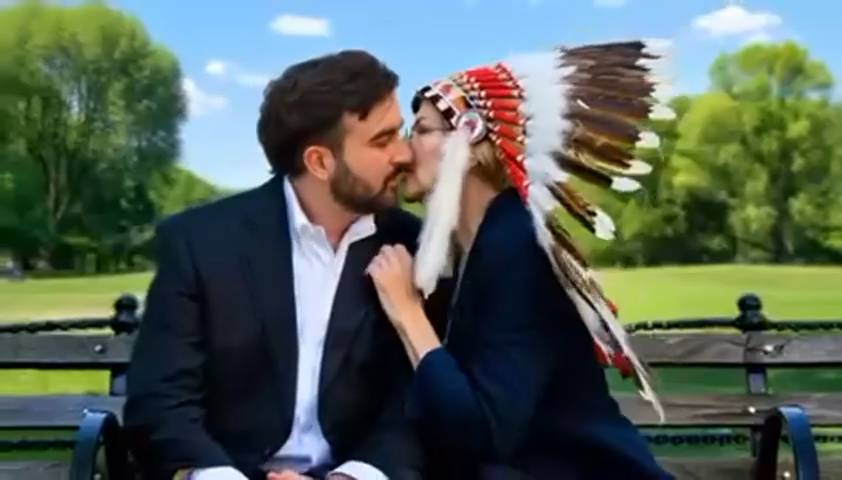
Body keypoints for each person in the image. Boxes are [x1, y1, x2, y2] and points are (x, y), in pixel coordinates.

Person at [366, 41, 676, 479]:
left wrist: (408, 314)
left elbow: (482, 434)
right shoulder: (472, 250)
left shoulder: (518, 246)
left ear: (470, 142)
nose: (402, 151)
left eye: (421, 130)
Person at [124, 50, 432, 480]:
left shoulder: (416, 247)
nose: (404, 154)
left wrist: (351, 478)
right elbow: (160, 403)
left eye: (400, 132)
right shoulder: (199, 243)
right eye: (383, 141)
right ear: (320, 162)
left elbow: (412, 404)